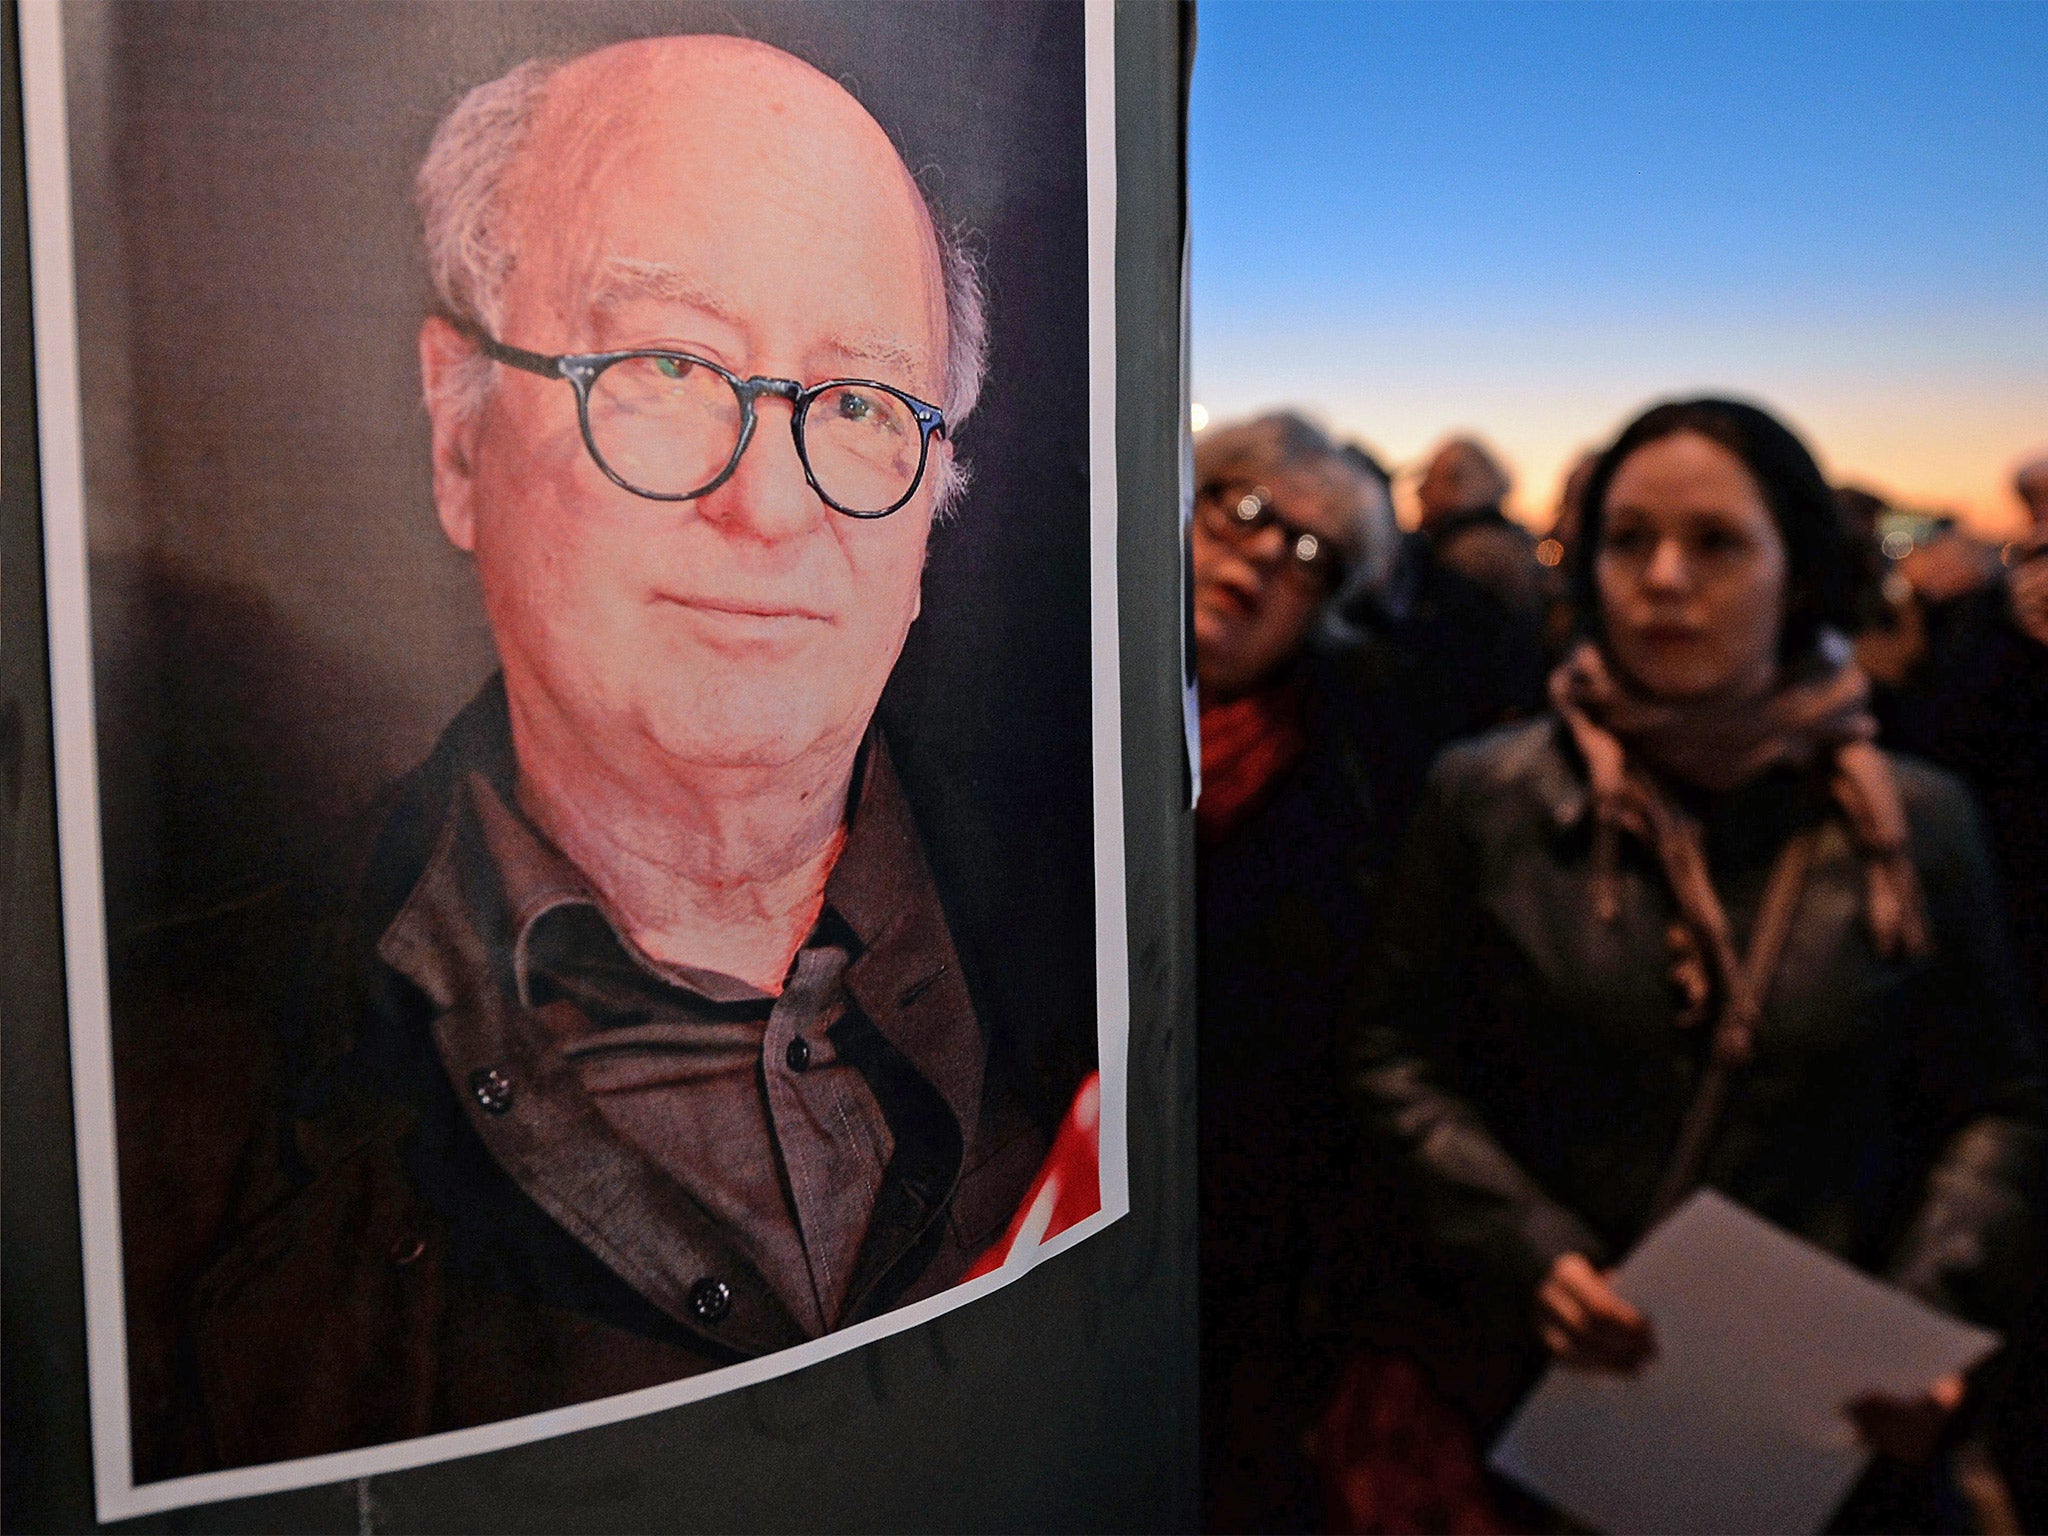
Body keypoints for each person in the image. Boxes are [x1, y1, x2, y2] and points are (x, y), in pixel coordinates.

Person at [113, 35, 1089, 1479]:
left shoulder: (1109, 993)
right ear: (458, 432)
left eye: (865, 403)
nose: (768, 503)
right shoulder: (154, 1125)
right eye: (669, 366)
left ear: (929, 522)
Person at [1349, 397, 2046, 1531]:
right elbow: (1394, 1058)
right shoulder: (1485, 795)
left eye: (1715, 542)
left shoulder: (1913, 820)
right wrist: (1526, 1253)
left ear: (1797, 570)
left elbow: (1996, 1103)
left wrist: (1924, 1314)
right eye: (1627, 540)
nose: (1663, 577)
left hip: (1830, 1429)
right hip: (1555, 1413)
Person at [1191, 413, 1425, 1531]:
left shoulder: (1357, 760)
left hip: (1255, 1243)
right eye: (1238, 509)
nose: (1258, 558)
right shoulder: (1026, 687)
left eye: (1307, 555)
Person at [1413, 434, 1552, 632]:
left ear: (1459, 487)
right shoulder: (1508, 542)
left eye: (1430, 479)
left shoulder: (1467, 556)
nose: (1420, 490)